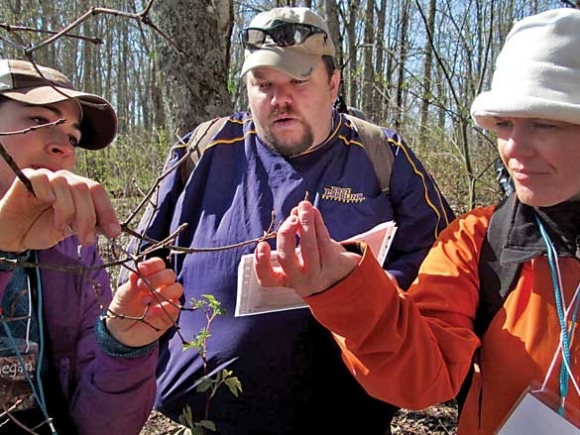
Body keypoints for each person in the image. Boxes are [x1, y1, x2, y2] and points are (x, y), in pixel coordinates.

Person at [128, 6, 454, 435]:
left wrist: (362, 285)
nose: (280, 99)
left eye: (299, 82)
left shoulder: (381, 156)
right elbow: (142, 264)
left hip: (346, 420)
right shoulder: (203, 151)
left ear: (333, 83)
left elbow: (443, 265)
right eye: (264, 85)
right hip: (207, 421)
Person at [254, 8, 580, 435]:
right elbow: (423, 377)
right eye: (503, 124)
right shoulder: (478, 242)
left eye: (543, 123)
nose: (515, 148)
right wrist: (341, 288)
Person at [0, 59, 183, 435]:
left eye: (72, 138)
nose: (62, 148)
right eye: (39, 121)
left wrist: (123, 347)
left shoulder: (73, 251)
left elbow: (100, 426)